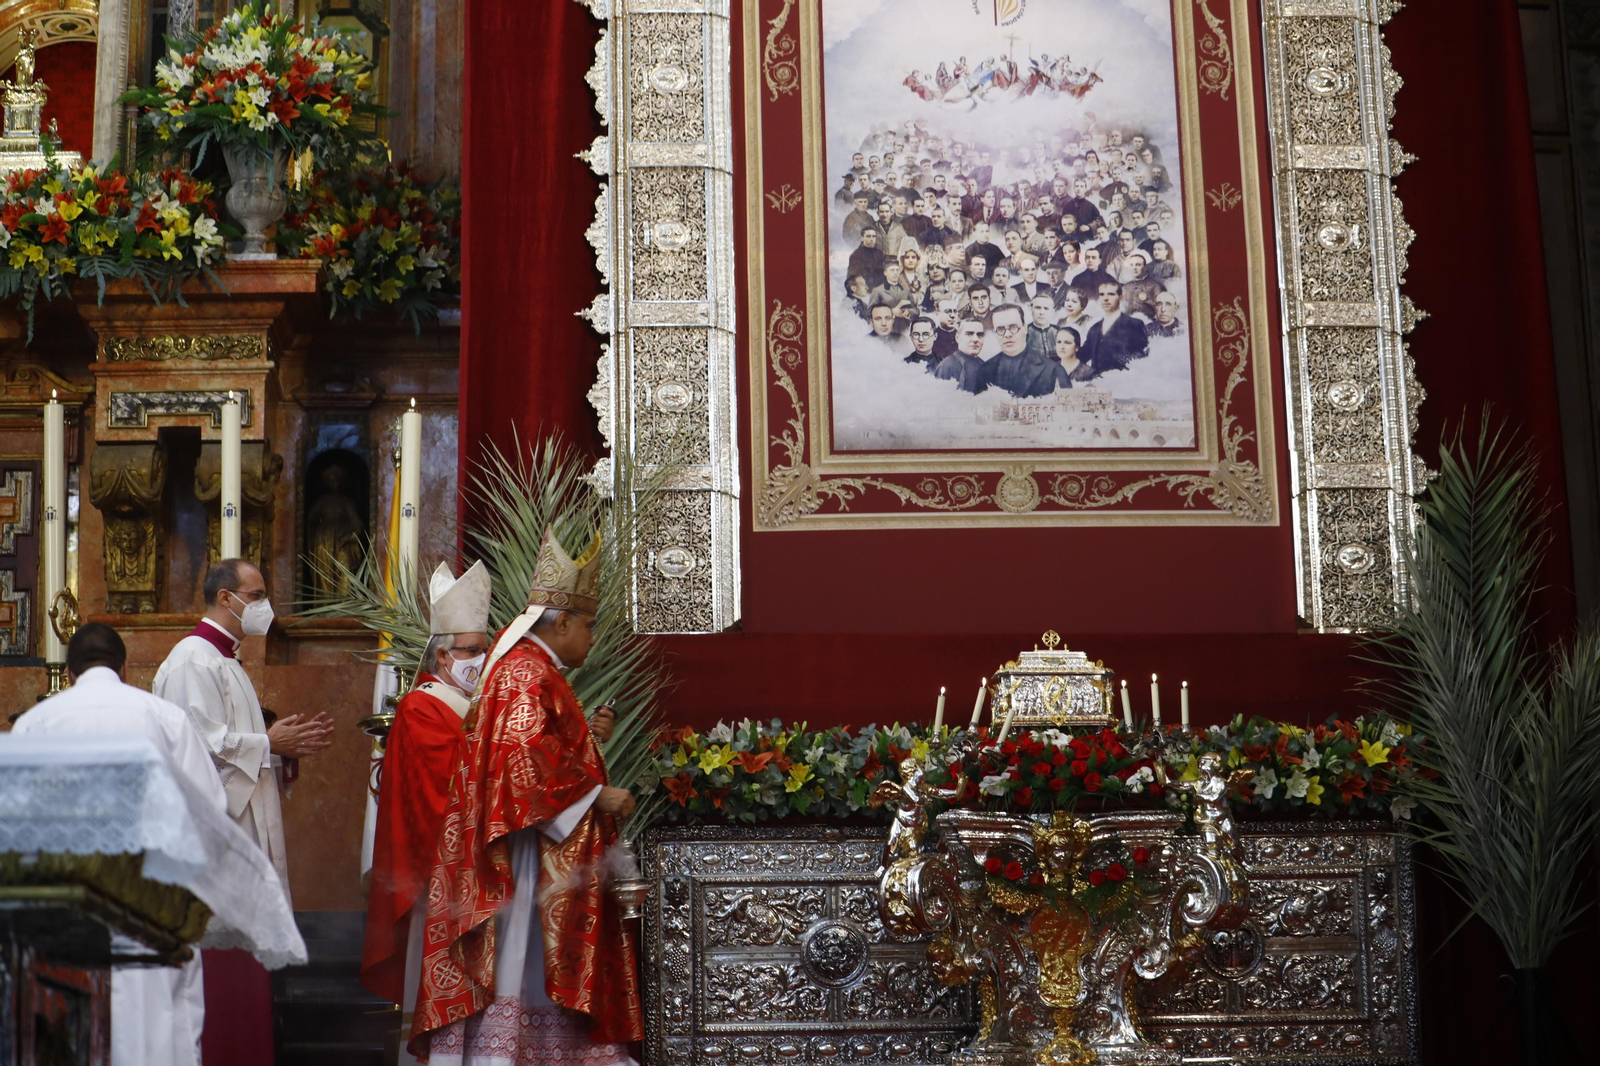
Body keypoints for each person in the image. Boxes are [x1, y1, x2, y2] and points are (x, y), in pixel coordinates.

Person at [408, 528, 641, 1064]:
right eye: (589, 625)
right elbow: (520, 766)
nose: (592, 638)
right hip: (525, 860)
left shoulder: (531, 671)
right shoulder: (526, 673)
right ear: (560, 622)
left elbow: (538, 749)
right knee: (524, 965)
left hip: (535, 850)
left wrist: (587, 739)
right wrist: (597, 798)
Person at [14, 623, 231, 1066]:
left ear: (69, 674)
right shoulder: (165, 718)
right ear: (125, 667)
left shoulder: (35, 724)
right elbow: (209, 810)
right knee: (159, 1012)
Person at [154, 558, 334, 1060]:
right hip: (213, 846)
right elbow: (196, 752)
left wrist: (278, 747)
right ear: (224, 599)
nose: (263, 606)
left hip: (236, 841)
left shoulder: (225, 661)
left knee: (246, 968)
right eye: (255, 596)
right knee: (223, 973)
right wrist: (267, 742)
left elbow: (232, 747)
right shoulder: (194, 660)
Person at [362, 562, 493, 1065]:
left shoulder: (472, 703)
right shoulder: (423, 708)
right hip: (438, 875)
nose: (479, 659)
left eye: (484, 649)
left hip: (475, 869)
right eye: (470, 651)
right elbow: (445, 786)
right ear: (442, 655)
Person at [982, 303, 1070, 398]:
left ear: (1025, 328)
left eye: (1013, 327)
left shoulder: (1054, 371)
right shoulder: (984, 370)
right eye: (1000, 329)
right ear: (995, 333)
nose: (1007, 334)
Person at [1082, 281, 1150, 374]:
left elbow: (1142, 361)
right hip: (1098, 384)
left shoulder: (1135, 325)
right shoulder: (1094, 329)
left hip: (1123, 383)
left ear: (1121, 298)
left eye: (1111, 294)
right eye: (1102, 294)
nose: (1105, 298)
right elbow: (1082, 356)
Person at [934, 316, 989, 394]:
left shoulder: (984, 366)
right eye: (969, 334)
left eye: (980, 335)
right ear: (957, 337)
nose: (975, 339)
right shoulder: (947, 367)